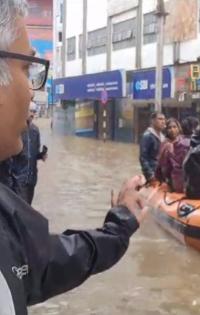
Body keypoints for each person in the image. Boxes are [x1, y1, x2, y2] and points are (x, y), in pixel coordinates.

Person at [0, 1, 147, 313]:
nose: (30, 92)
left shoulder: (8, 220)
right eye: (27, 68)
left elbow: (45, 261)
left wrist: (118, 226)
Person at [12, 101, 47, 204]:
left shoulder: (35, 130)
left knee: (28, 207)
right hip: (19, 179)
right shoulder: (16, 129)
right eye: (30, 111)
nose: (32, 114)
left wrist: (41, 155)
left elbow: (34, 154)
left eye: (34, 112)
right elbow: (10, 155)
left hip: (31, 179)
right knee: (22, 210)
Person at [155, 118, 190, 193]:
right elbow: (161, 165)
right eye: (169, 128)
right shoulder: (165, 145)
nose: (172, 130)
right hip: (172, 178)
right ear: (166, 130)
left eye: (174, 127)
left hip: (186, 177)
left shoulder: (185, 142)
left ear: (178, 128)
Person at [139, 111, 166, 182]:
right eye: (160, 119)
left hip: (162, 173)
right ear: (153, 121)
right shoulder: (147, 136)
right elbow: (143, 158)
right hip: (153, 173)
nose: (163, 121)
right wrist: (150, 175)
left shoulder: (163, 137)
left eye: (164, 119)